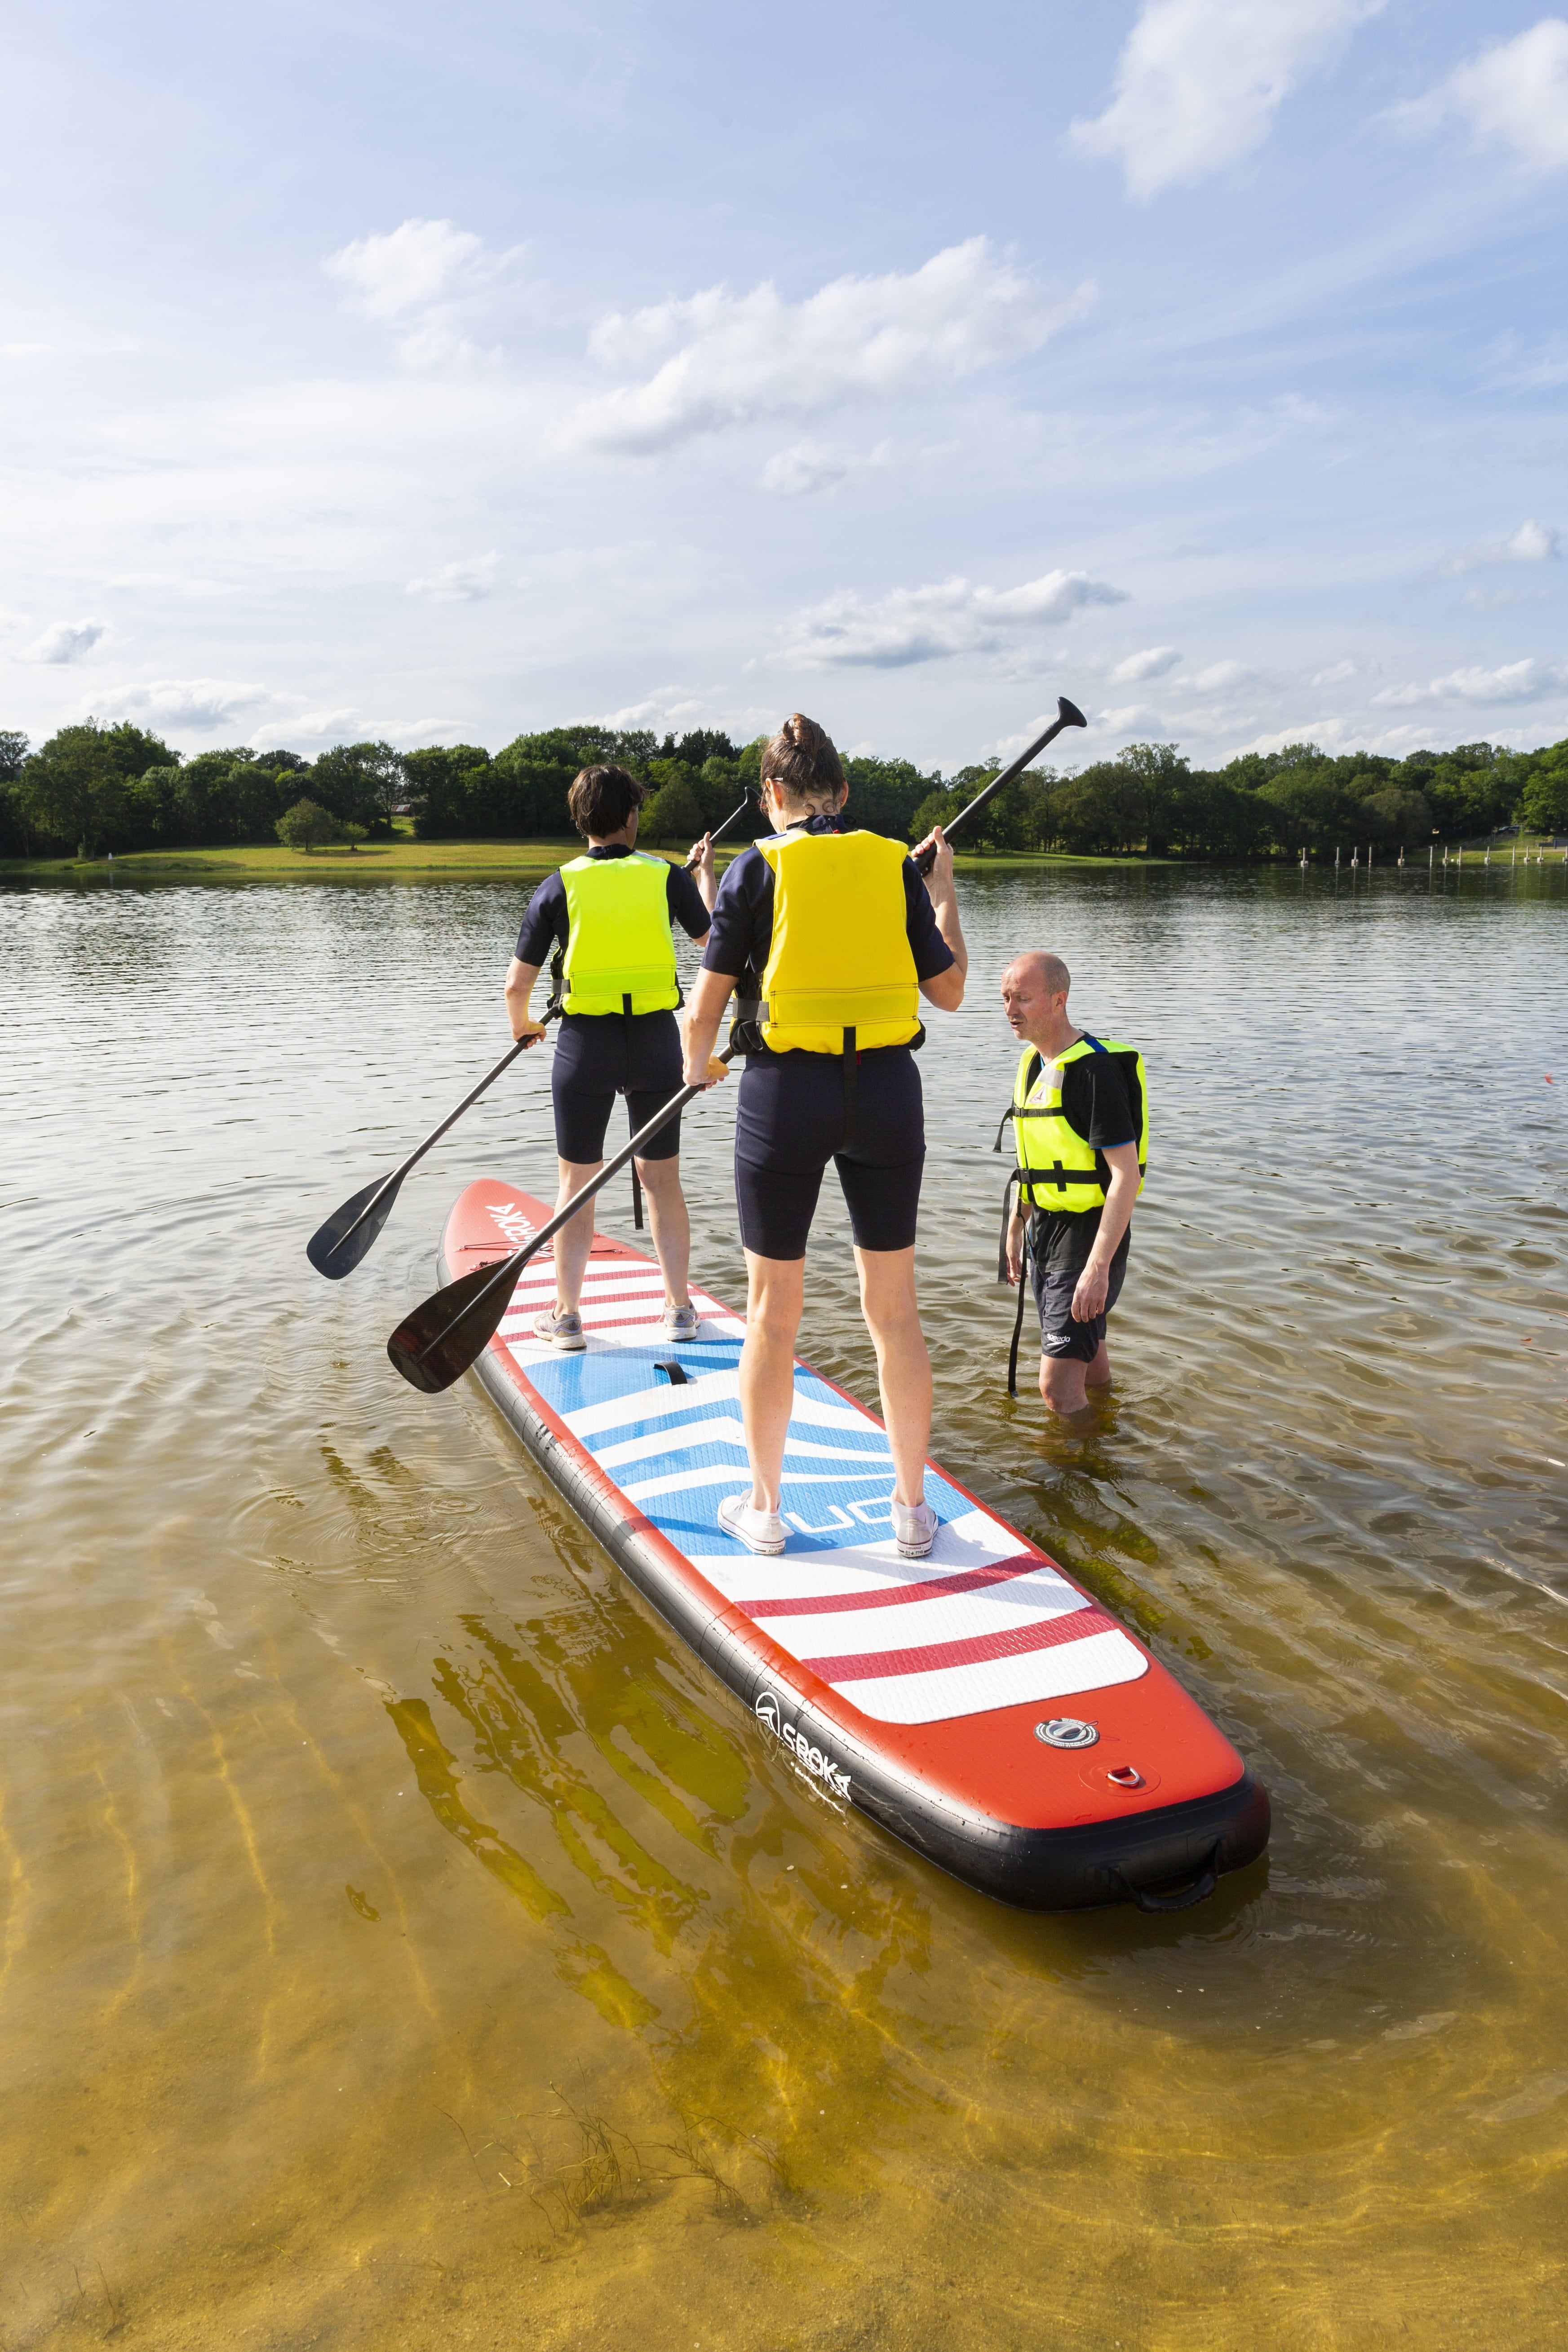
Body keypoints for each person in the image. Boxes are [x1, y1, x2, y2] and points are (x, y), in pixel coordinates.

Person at [680, 712, 967, 1559]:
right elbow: (948, 994)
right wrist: (943, 887)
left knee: (773, 1315)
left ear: (774, 793)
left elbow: (704, 1008)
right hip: (886, 1094)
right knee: (896, 1312)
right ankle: (913, 1512)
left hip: (784, 1097)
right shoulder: (895, 865)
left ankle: (765, 1509)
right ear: (841, 792)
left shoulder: (753, 867)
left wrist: (698, 1066)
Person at [504, 762, 718, 1348]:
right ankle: (679, 1310)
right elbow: (716, 946)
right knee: (661, 1181)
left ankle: (567, 1316)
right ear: (631, 816)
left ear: (580, 822)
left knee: (576, 1182)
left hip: (583, 1047)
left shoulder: (557, 885)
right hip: (654, 1044)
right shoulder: (667, 877)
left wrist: (522, 1027)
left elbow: (515, 987)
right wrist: (703, 878)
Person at [999, 952, 1147, 1416]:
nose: (1010, 1010)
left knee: (1057, 1390)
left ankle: (1079, 1479)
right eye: (1005, 998)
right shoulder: (1030, 1064)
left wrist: (1098, 1266)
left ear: (1059, 1000)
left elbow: (1125, 1174)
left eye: (1023, 998)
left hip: (1089, 1232)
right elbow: (1033, 1160)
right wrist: (1015, 1224)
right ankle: (1110, 1438)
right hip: (1045, 1227)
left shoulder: (1093, 1072)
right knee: (1089, 1358)